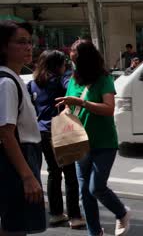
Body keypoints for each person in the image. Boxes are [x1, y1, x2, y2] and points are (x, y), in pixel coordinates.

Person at [55, 39, 130, 236]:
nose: (74, 65)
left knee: (96, 187)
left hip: (104, 143)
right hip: (80, 143)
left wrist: (82, 102)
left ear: (87, 61)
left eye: (76, 61)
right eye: (72, 62)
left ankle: (121, 213)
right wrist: (64, 112)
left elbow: (108, 109)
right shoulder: (73, 79)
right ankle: (94, 233)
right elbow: (68, 106)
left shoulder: (104, 79)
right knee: (84, 194)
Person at [27, 50, 86, 229]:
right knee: (70, 174)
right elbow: (76, 90)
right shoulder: (61, 80)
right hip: (61, 129)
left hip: (42, 131)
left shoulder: (32, 84)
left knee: (53, 172)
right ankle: (75, 217)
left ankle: (55, 214)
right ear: (58, 65)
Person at [0, 20, 46, 235]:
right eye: (20, 42)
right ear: (3, 47)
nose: (28, 47)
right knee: (15, 227)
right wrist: (27, 176)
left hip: (22, 158)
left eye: (29, 42)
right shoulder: (6, 82)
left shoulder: (14, 78)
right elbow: (6, 134)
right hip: (16, 162)